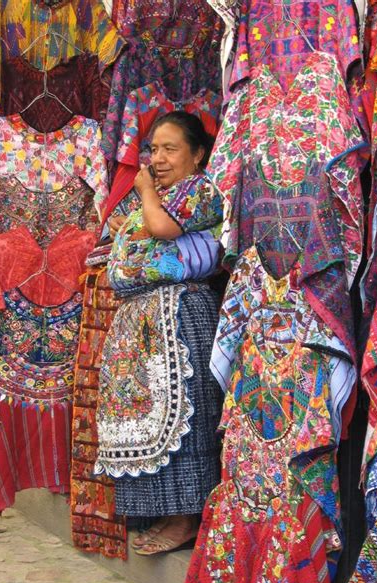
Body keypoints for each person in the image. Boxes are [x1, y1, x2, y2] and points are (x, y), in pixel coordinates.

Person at [94, 111, 224, 555]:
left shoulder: (202, 191)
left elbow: (162, 229)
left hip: (179, 314)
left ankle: (187, 517)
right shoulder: (158, 195)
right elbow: (128, 237)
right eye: (153, 149)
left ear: (198, 154)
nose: (159, 158)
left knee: (184, 418)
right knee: (150, 415)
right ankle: (167, 511)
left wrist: (145, 193)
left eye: (171, 148)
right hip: (143, 319)